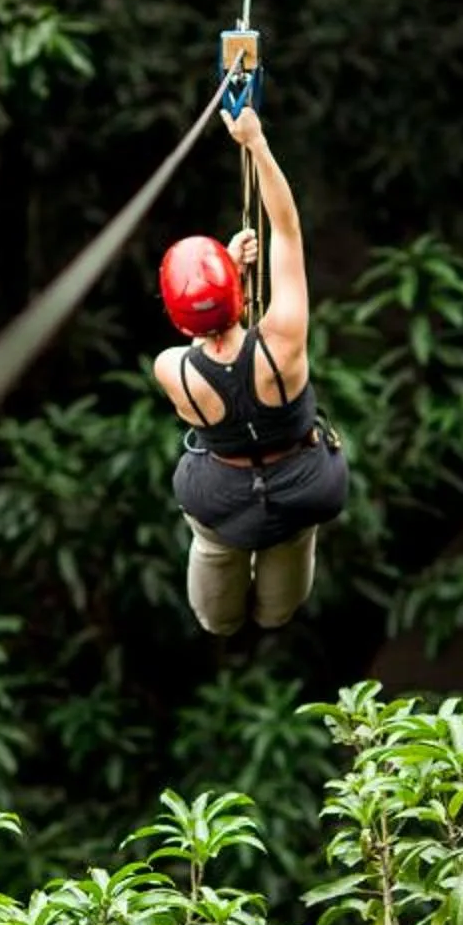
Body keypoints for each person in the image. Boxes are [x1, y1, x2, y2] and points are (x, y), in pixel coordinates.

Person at [153, 106, 348, 637]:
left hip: (221, 502)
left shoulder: (172, 369)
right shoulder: (284, 339)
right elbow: (286, 231)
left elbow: (207, 345)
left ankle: (228, 620)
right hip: (302, 487)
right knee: (278, 611)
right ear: (238, 296)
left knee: (216, 620)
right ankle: (278, 594)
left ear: (178, 318)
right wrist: (256, 142)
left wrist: (226, 274)